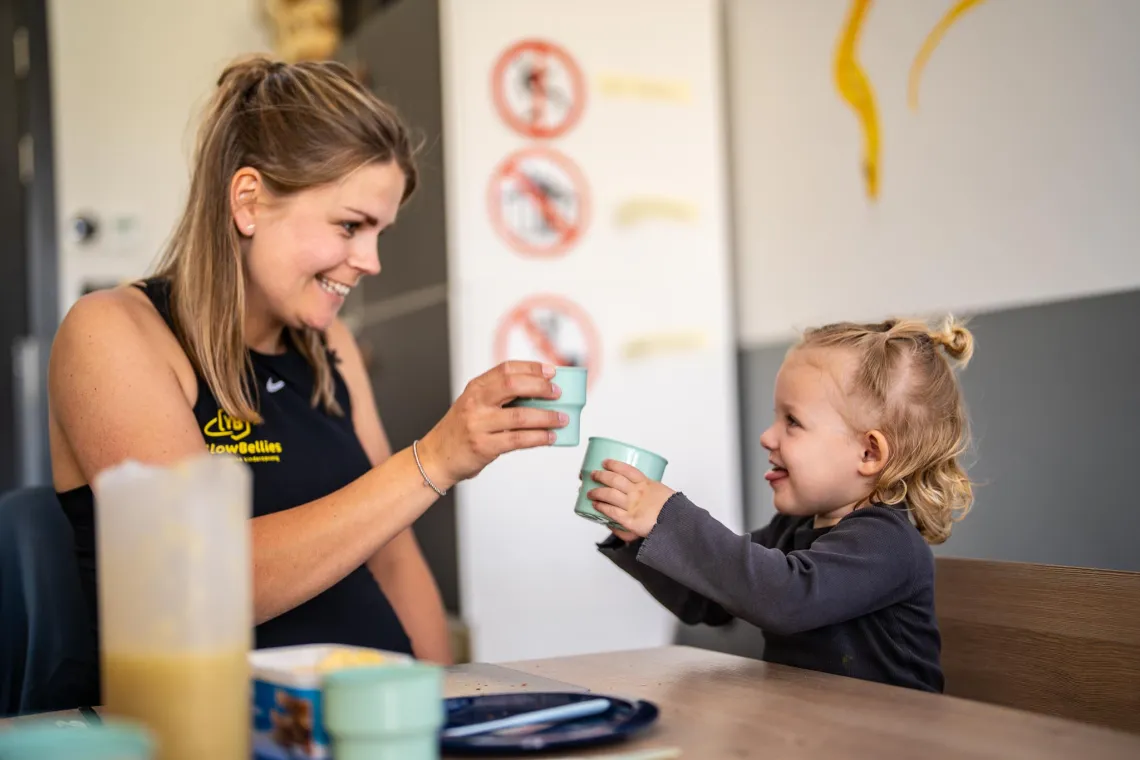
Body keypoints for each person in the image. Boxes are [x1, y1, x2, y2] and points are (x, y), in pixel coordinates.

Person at [47, 56, 568, 690]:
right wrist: (436, 457)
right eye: (350, 226)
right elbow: (205, 584)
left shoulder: (331, 346)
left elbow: (395, 561)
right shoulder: (114, 334)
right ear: (248, 202)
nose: (370, 261)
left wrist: (449, 713)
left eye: (379, 231)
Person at [586, 318, 977, 693]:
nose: (766, 436)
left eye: (792, 421)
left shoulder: (889, 543)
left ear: (869, 452)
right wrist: (639, 535)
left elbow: (785, 598)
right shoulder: (792, 528)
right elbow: (707, 599)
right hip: (804, 729)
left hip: (891, 742)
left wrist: (669, 517)